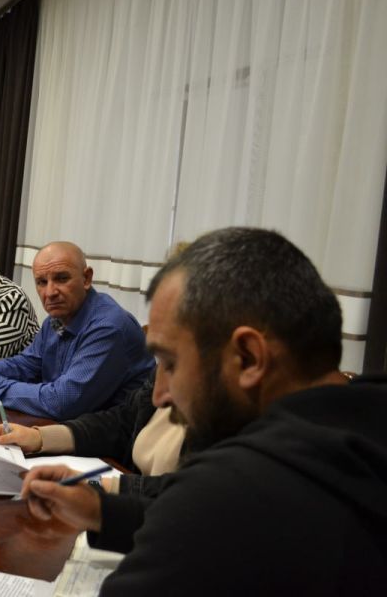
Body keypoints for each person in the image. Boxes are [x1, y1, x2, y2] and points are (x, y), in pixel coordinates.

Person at [21, 227, 387, 594]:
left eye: (171, 364)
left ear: (248, 358)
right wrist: (100, 510)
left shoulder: (232, 490)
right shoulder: (356, 431)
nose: (159, 395)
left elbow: (202, 514)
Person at [0, 241, 154, 419]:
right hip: (72, 428)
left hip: (114, 438)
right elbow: (27, 365)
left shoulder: (108, 327)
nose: (50, 292)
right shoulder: (56, 318)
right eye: (41, 282)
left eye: (61, 279)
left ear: (86, 278)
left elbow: (62, 403)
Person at [0, 377, 185, 496]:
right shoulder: (53, 327)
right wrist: (39, 437)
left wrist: (96, 484)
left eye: (171, 364)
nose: (157, 395)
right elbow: (121, 423)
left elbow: (61, 401)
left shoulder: (109, 328)